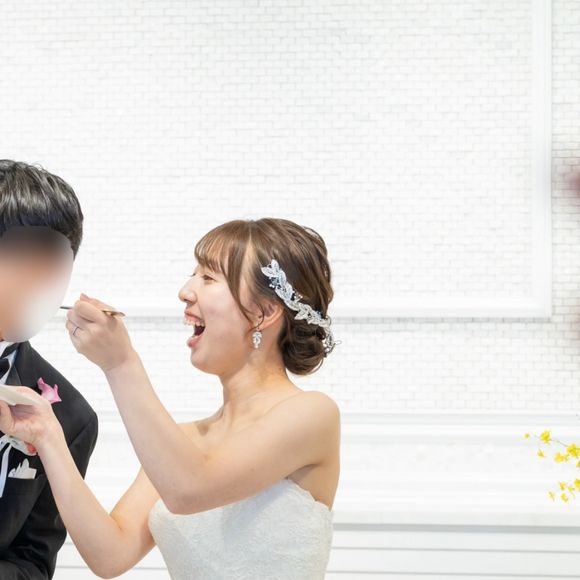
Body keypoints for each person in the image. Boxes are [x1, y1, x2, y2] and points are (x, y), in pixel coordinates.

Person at [0, 217, 341, 579]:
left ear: (265, 312)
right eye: (192, 275)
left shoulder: (313, 414)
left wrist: (121, 363)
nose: (185, 291)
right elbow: (109, 554)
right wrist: (47, 435)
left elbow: (189, 490)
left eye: (208, 278)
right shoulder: (184, 442)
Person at [0, 160, 99, 579]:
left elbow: (32, 562)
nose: (41, 276)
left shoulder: (70, 415)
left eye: (57, 257)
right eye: (20, 253)